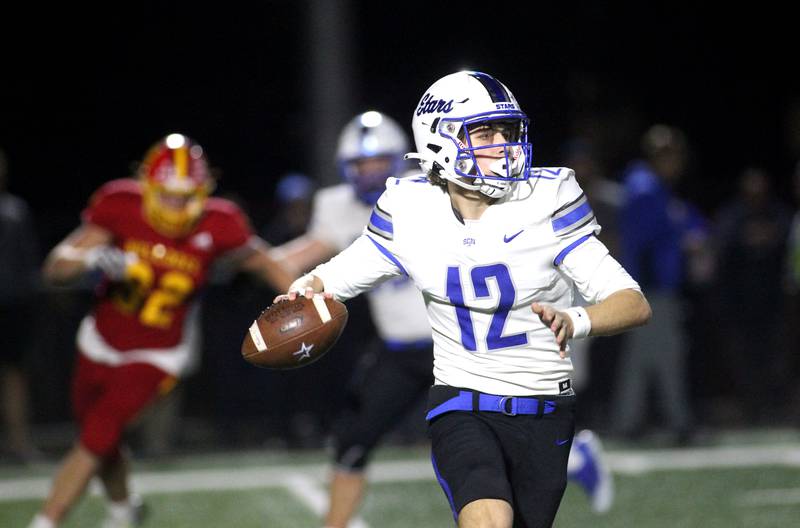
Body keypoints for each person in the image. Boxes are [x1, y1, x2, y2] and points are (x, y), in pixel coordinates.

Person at [278, 71, 651, 528]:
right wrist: (307, 290)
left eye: (507, 132)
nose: (504, 146)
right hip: (463, 401)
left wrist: (575, 320)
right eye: (486, 132)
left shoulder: (546, 198)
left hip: (544, 409)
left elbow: (632, 302)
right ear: (439, 140)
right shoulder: (409, 207)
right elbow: (339, 275)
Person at [28, 133, 292, 528]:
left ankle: (46, 520)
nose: (177, 205)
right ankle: (123, 512)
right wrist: (89, 259)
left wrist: (309, 295)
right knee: (102, 441)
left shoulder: (219, 221)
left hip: (159, 353)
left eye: (186, 196)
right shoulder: (120, 203)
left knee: (98, 436)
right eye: (167, 195)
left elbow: (266, 262)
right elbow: (55, 267)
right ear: (148, 186)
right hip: (99, 340)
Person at [270, 110, 434, 528]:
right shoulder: (338, 206)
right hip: (398, 350)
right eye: (362, 163)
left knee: (488, 441)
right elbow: (306, 252)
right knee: (350, 440)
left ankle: (571, 451)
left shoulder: (430, 192)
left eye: (380, 161)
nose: (370, 171)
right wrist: (247, 260)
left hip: (456, 345)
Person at [610, 124, 708, 443]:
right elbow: (643, 243)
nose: (676, 162)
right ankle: (678, 423)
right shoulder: (644, 189)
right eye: (670, 155)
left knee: (642, 360)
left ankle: (628, 422)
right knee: (667, 356)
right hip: (651, 288)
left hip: (649, 287)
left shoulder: (655, 188)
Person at [0, 147, 41, 464]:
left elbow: (28, 262)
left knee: (15, 375)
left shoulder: (15, 209)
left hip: (12, 304)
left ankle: (19, 441)